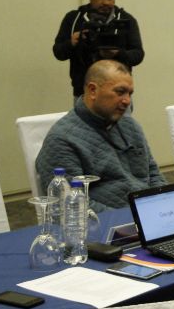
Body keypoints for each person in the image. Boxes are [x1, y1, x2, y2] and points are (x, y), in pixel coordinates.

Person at [35, 60, 165, 212]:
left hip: (148, 217)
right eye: (120, 92)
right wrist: (134, 218)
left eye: (130, 93)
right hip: (108, 227)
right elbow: (71, 205)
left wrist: (167, 204)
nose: (127, 101)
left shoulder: (131, 126)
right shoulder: (62, 140)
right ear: (92, 91)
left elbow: (153, 174)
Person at [53, 0, 144, 98]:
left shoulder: (125, 20)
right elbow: (58, 52)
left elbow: (138, 54)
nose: (106, 2)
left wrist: (118, 53)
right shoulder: (74, 19)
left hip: (119, 92)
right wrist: (72, 42)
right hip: (84, 91)